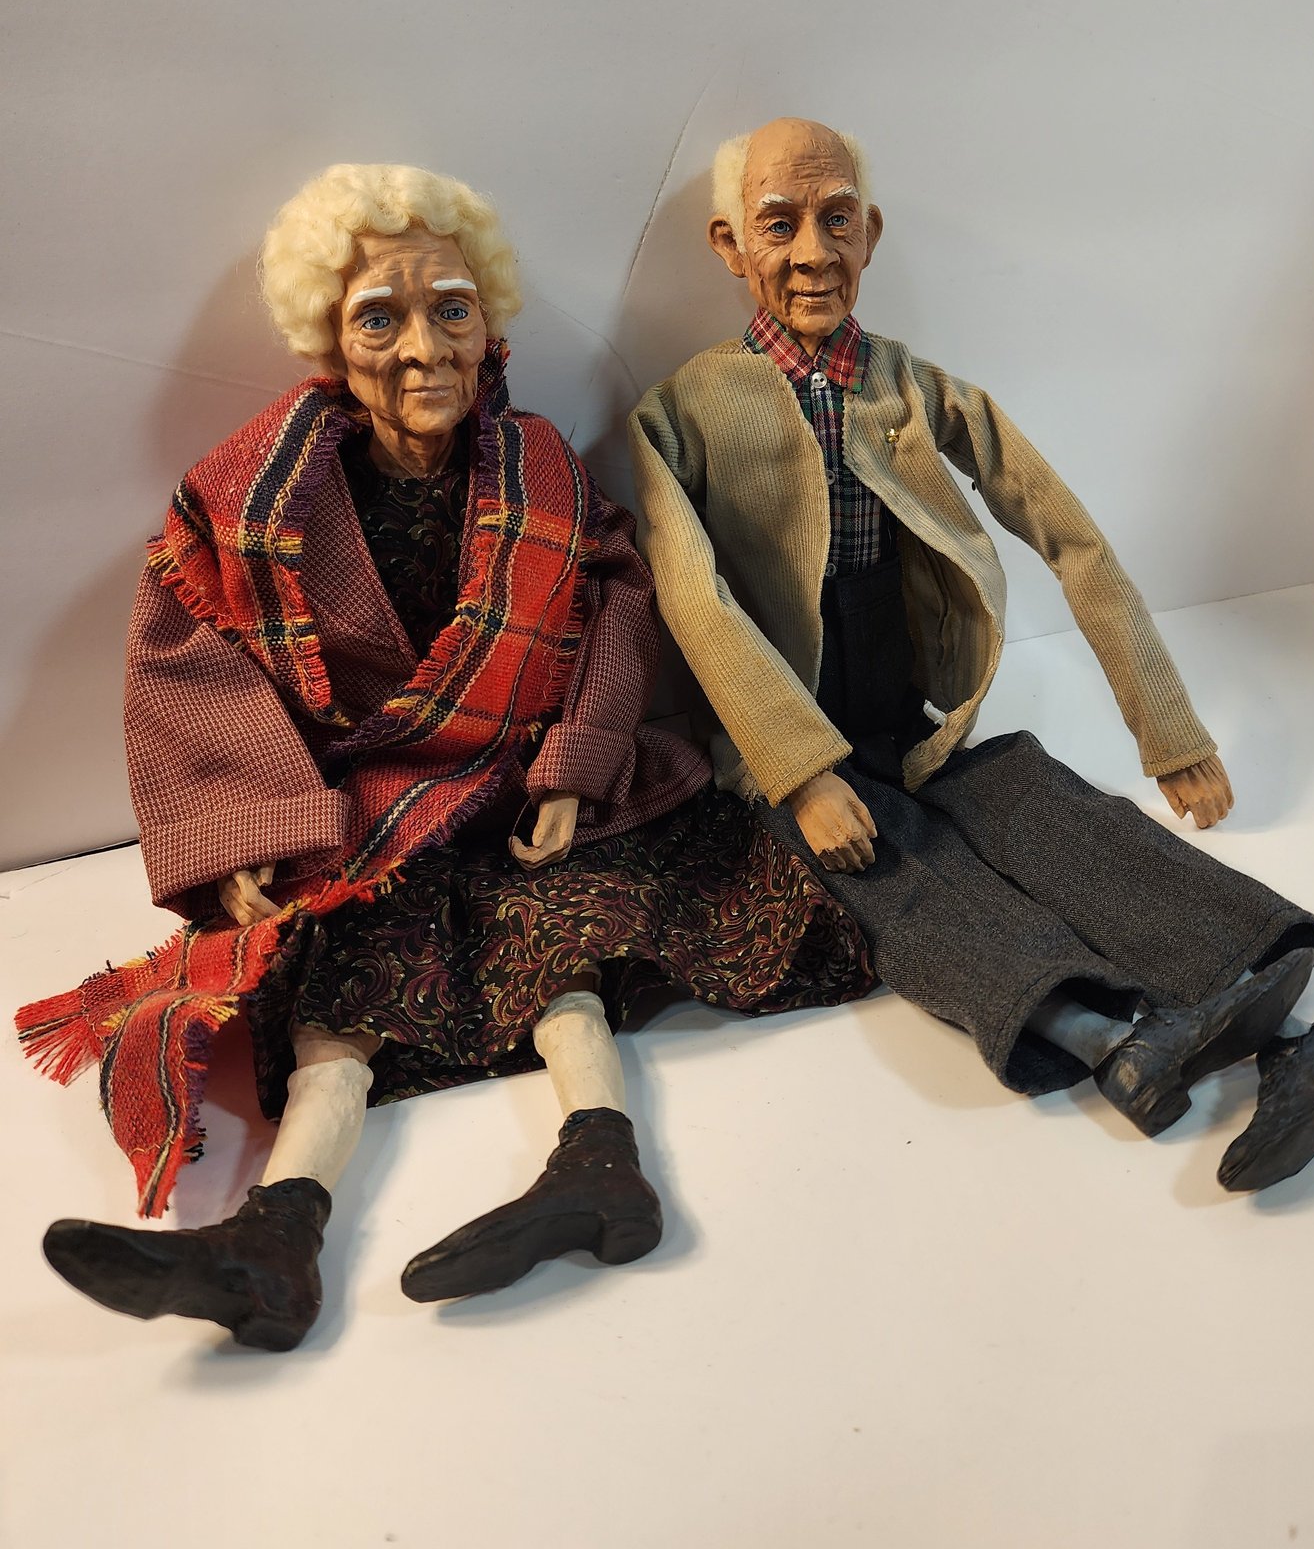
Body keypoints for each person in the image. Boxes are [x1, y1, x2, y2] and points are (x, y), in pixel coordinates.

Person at [18, 162, 872, 1351]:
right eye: (381, 318)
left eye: (451, 309)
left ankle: (599, 1165)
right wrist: (251, 826)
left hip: (520, 783)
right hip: (368, 813)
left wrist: (574, 764)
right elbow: (190, 647)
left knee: (559, 931)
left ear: (488, 321)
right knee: (344, 984)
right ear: (331, 339)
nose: (424, 347)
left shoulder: (540, 467)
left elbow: (619, 599)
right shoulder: (256, 499)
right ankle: (275, 1236)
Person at [628, 117, 1314, 1193]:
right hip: (789, 721)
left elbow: (1069, 535)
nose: (811, 253)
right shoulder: (682, 411)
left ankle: (1292, 1033)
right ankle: (1117, 1043)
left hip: (912, 714)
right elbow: (694, 599)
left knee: (1043, 808)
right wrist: (799, 772)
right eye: (778, 224)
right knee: (896, 885)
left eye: (837, 219)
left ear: (870, 231)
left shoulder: (911, 387)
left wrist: (1166, 724)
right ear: (730, 245)